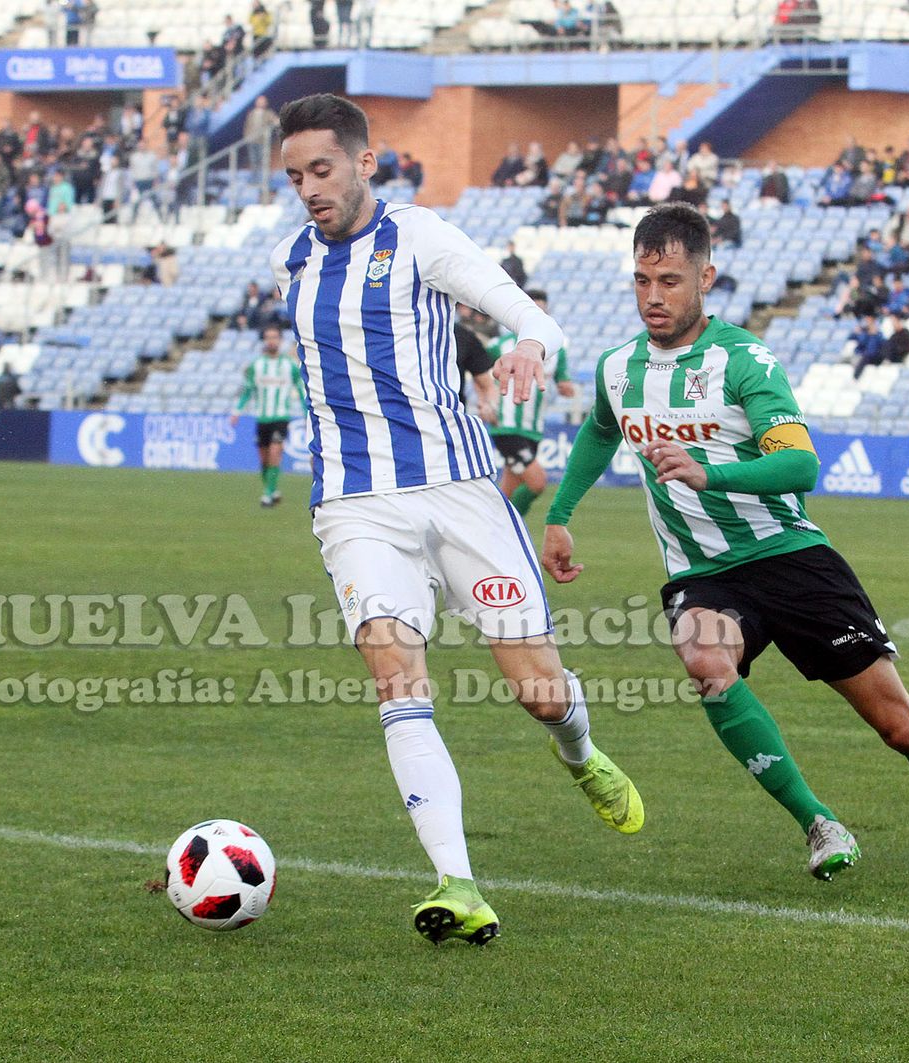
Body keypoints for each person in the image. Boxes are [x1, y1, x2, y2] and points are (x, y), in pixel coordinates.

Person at [540, 203, 909, 885]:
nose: (653, 297)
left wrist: (709, 471)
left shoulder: (745, 361)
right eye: (641, 281)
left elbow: (803, 466)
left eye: (669, 281)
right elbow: (602, 428)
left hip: (792, 556)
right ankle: (818, 821)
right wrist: (562, 513)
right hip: (706, 571)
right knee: (705, 659)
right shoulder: (616, 367)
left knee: (900, 726)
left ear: (706, 277)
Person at [270, 94, 644, 944]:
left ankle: (581, 755)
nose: (308, 189)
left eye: (321, 170)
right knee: (396, 676)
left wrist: (530, 346)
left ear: (366, 162)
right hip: (355, 501)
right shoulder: (293, 258)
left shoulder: (420, 238)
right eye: (294, 176)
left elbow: (530, 315)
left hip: (461, 492)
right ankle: (457, 881)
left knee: (539, 691)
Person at [485, 289, 576, 516]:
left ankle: (494, 529)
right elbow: (481, 379)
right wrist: (486, 403)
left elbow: (564, 383)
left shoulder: (556, 352)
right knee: (537, 482)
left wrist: (567, 388)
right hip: (507, 426)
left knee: (506, 492)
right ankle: (513, 530)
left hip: (533, 429)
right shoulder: (500, 345)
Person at [229, 324, 306, 507]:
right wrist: (236, 412)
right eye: (268, 337)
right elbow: (248, 391)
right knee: (264, 459)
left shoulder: (290, 365)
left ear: (280, 340)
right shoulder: (256, 365)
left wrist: (306, 413)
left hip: (281, 417)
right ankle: (273, 488)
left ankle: (268, 493)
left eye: (275, 337)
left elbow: (300, 389)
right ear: (264, 340)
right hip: (262, 418)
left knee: (275, 452)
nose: (271, 340)